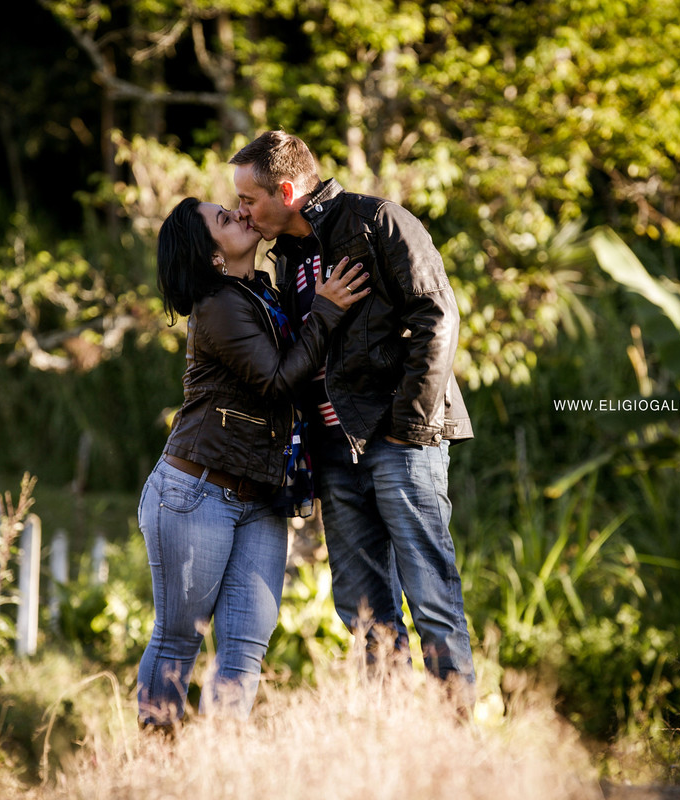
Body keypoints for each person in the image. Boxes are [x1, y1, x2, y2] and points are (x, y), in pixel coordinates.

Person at [229, 131, 476, 705]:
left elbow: (437, 320)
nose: (242, 211)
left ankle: (456, 740)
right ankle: (392, 742)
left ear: (286, 191)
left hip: (400, 441)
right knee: (363, 609)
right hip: (333, 454)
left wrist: (408, 427)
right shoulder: (285, 258)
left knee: (431, 597)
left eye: (248, 200)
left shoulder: (378, 221)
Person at [136, 195, 369, 730]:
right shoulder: (219, 305)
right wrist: (328, 312)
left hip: (263, 497)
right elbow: (277, 378)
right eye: (225, 218)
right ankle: (152, 770)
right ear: (211, 254)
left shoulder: (262, 292)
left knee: (244, 651)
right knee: (178, 641)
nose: (240, 213)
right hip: (196, 493)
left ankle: (222, 771)